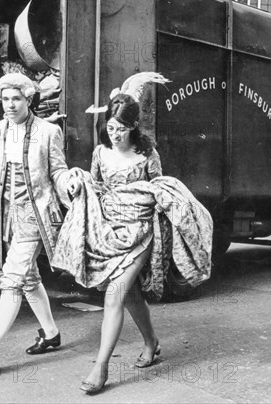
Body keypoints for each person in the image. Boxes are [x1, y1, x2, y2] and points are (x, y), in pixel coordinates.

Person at [58, 93, 212, 395]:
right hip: (110, 232)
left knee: (114, 295)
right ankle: (151, 342)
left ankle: (100, 367)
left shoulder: (148, 154)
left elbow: (160, 189)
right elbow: (97, 186)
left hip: (140, 232)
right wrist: (78, 185)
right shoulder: (101, 152)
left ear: (133, 126)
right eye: (111, 128)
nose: (115, 135)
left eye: (121, 128)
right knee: (129, 296)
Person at [0, 73, 77, 370]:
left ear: (28, 99)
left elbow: (57, 171)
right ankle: (51, 333)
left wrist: (69, 183)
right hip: (7, 215)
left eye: (16, 99)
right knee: (29, 277)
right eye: (5, 99)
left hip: (36, 213)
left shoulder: (49, 131)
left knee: (12, 278)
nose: (9, 104)